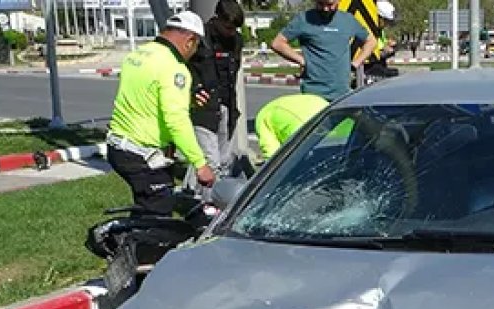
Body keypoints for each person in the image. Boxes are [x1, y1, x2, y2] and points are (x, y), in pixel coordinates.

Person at [106, 11, 214, 217]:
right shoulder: (175, 68)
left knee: (147, 208)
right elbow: (176, 120)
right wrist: (200, 164)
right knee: (158, 212)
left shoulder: (137, 55)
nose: (195, 52)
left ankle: (130, 244)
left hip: (119, 146)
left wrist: (187, 101)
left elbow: (146, 99)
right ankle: (139, 248)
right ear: (190, 41)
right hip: (140, 153)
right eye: (198, 46)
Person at [182, 0, 246, 192]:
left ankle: (192, 192)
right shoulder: (198, 38)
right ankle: (209, 205)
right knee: (211, 161)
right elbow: (179, 66)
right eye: (228, 27)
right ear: (217, 19)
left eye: (235, 28)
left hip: (227, 105)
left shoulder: (237, 40)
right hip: (204, 108)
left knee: (225, 161)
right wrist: (193, 90)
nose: (231, 32)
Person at [271, 0, 377, 101]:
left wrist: (356, 63)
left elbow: (371, 41)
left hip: (342, 93)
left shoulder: (348, 20)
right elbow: (278, 43)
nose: (325, 8)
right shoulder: (304, 19)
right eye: (321, 4)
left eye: (330, 4)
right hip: (313, 93)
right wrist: (301, 60)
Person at [253, 92, 330, 160]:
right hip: (318, 103)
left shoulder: (264, 119)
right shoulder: (266, 118)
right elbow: (273, 157)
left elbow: (273, 156)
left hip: (307, 111)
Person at [362, 0, 401, 81]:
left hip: (378, 66)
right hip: (369, 69)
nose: (387, 24)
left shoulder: (379, 31)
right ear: (378, 17)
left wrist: (390, 47)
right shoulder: (367, 29)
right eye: (386, 21)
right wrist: (383, 52)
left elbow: (381, 46)